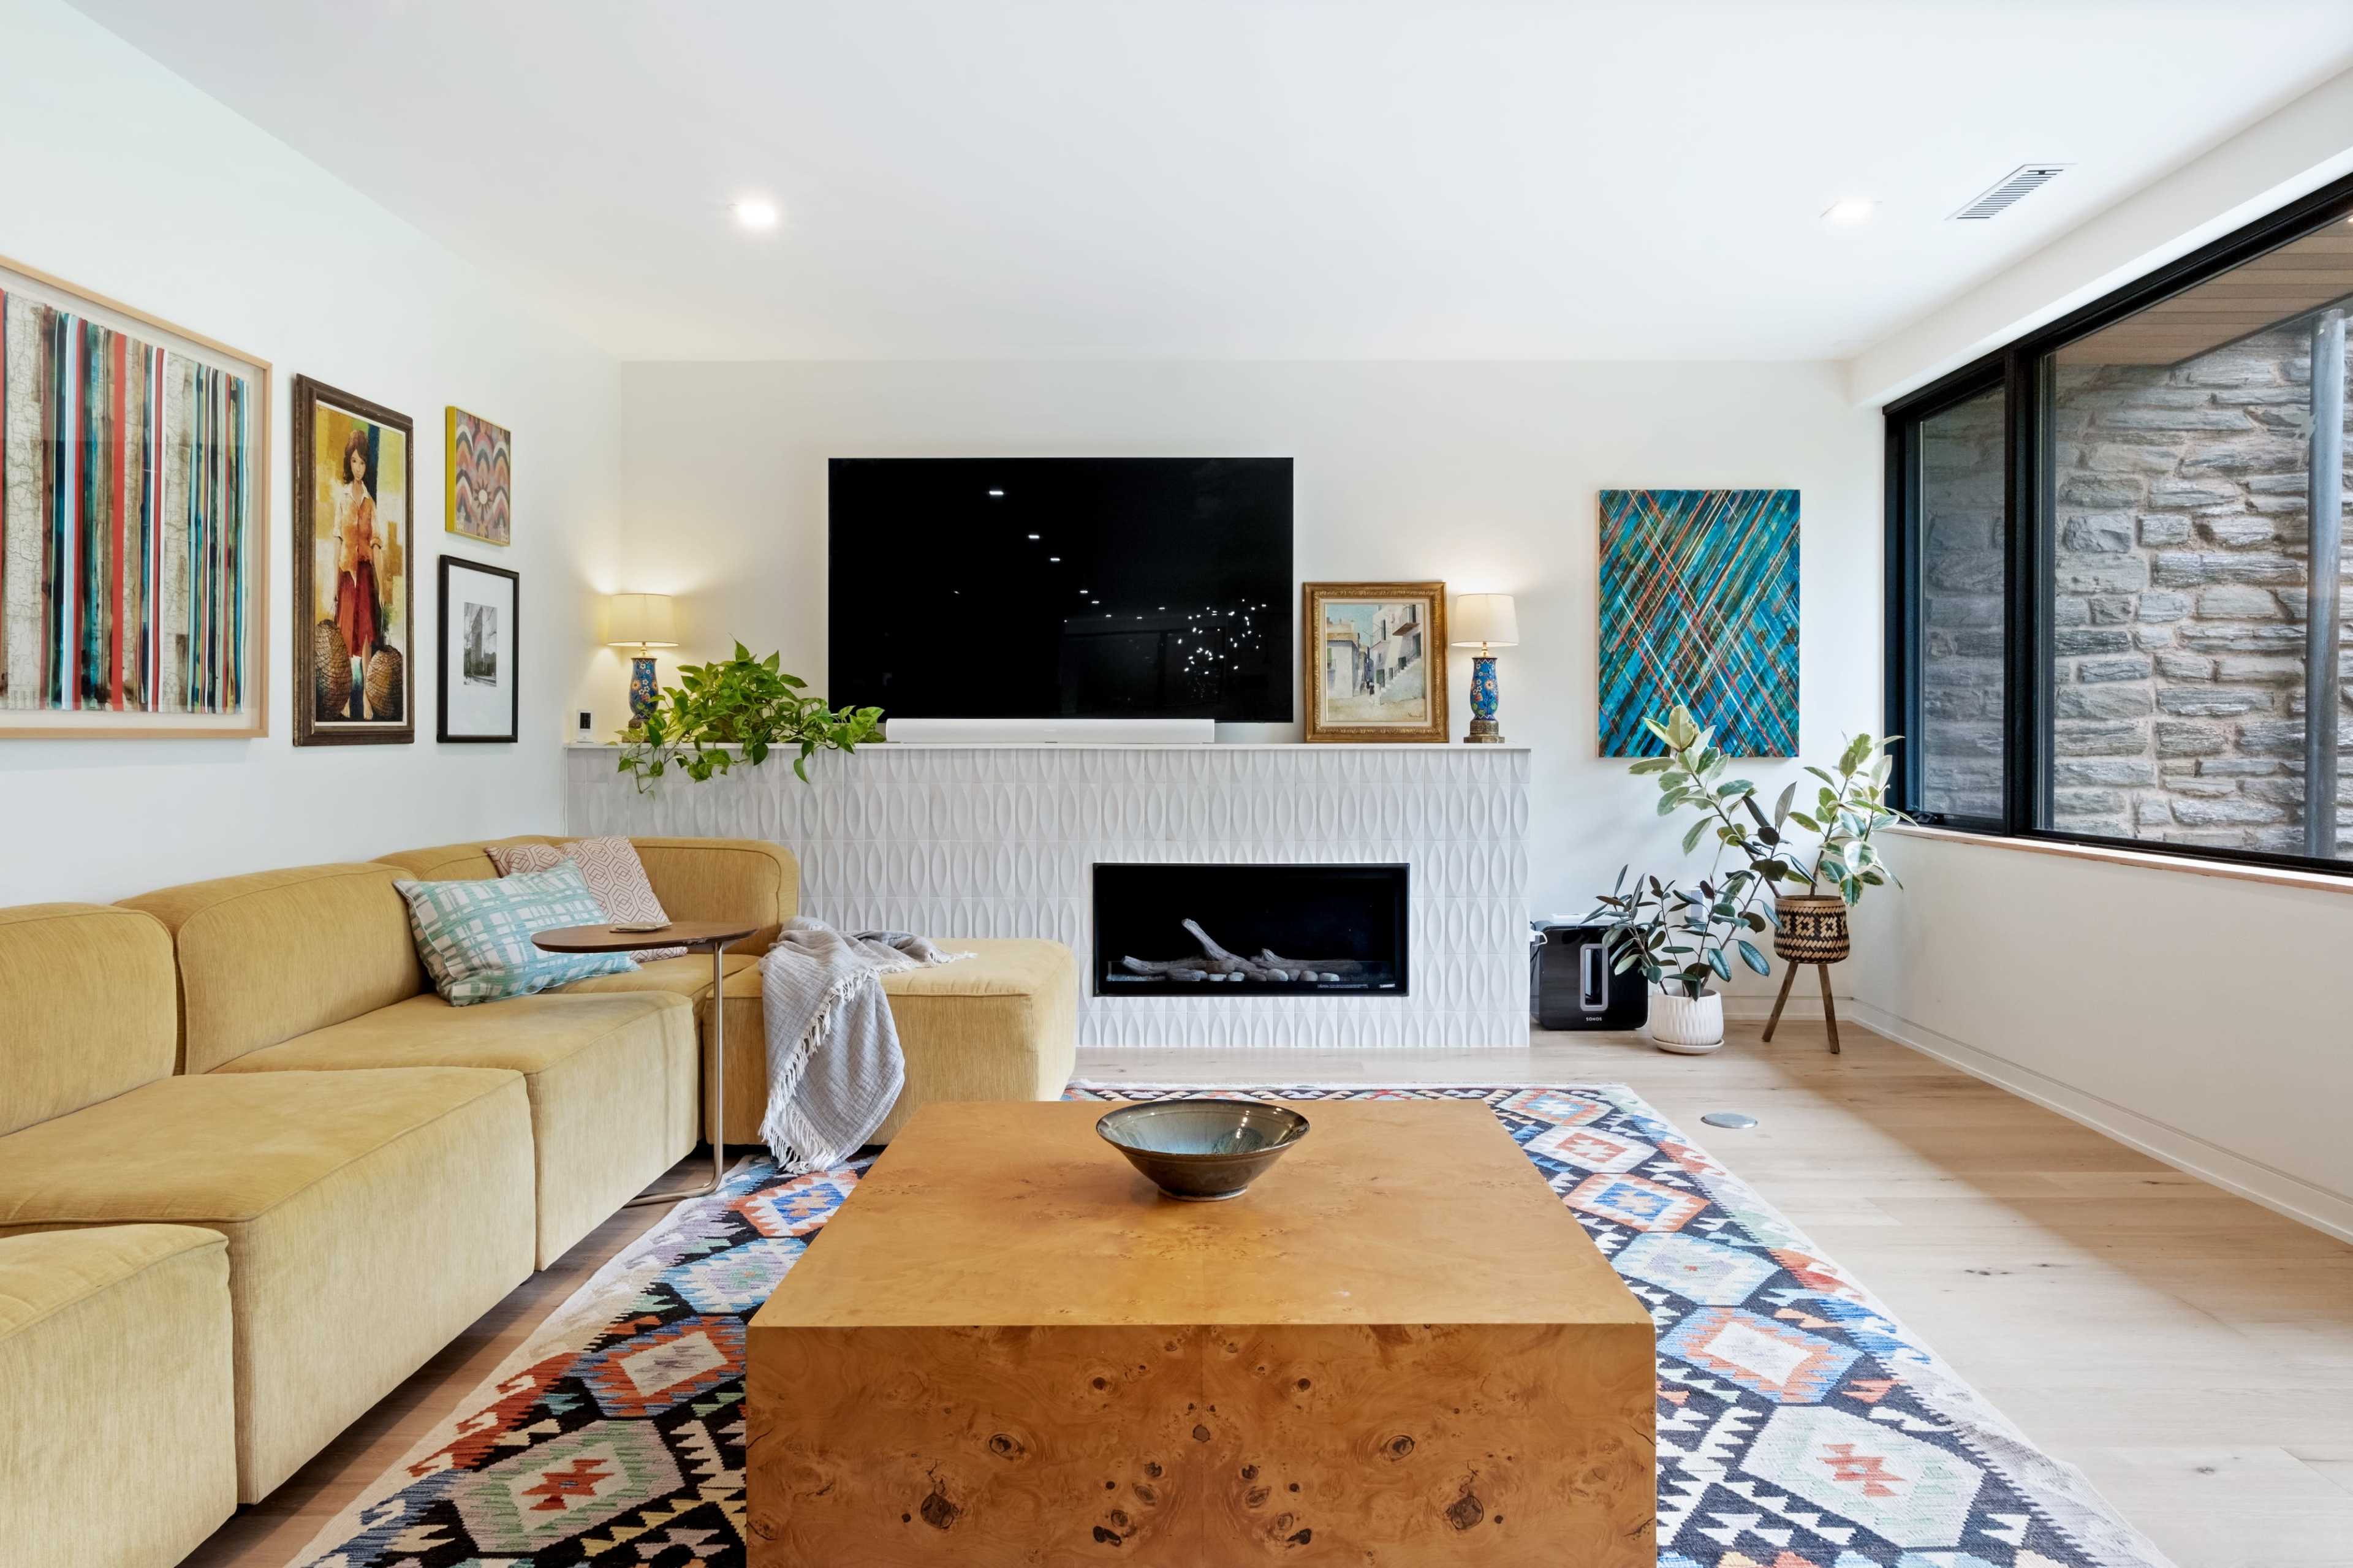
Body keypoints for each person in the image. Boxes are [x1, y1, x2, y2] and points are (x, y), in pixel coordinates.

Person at [331, 430, 382, 718]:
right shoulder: (343, 498)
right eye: (354, 462)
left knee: (365, 636)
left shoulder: (370, 502)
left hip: (364, 575)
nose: (358, 468)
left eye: (362, 462)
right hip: (346, 574)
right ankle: (348, 698)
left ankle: (365, 697)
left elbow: (376, 541)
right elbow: (337, 539)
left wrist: (381, 585)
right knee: (347, 633)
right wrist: (333, 585)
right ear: (348, 464)